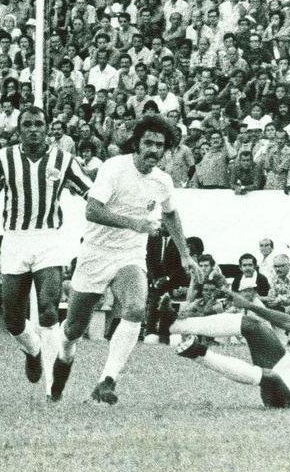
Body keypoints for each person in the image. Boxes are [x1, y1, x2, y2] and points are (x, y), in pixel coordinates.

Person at [51, 114, 192, 405]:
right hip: (95, 253)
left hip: (130, 255)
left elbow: (170, 214)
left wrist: (185, 254)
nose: (153, 150)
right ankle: (63, 355)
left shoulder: (162, 181)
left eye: (159, 146)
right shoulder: (115, 167)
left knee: (136, 308)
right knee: (74, 329)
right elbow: (92, 210)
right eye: (148, 143)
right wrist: (134, 223)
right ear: (137, 143)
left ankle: (107, 381)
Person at [0, 105, 92, 394]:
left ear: (47, 128)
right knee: (13, 319)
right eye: (27, 124)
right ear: (19, 129)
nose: (34, 129)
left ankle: (52, 389)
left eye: (39, 124)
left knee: (48, 311)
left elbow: (92, 193)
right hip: (15, 239)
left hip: (49, 238)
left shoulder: (64, 160)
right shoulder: (4, 158)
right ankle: (33, 350)